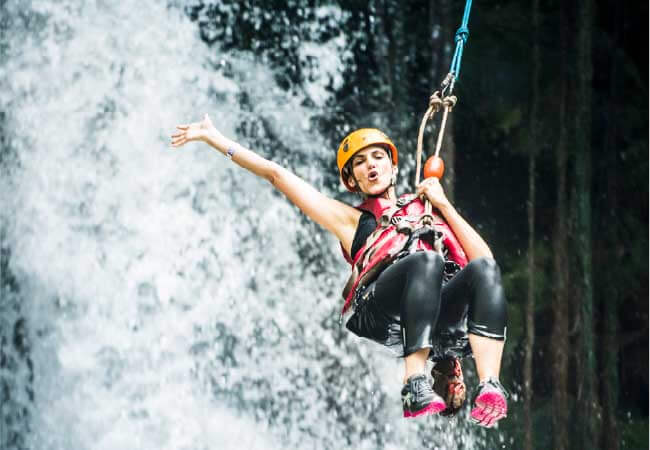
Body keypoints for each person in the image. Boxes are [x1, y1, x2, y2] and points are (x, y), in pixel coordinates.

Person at [171, 116, 508, 427]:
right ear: (352, 179)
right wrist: (215, 138)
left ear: (393, 165)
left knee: (484, 269)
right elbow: (276, 175)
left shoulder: (429, 208)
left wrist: (444, 205)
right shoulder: (351, 220)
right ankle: (413, 383)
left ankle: (489, 384)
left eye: (377, 157)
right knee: (426, 261)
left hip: (436, 312)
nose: (370, 165)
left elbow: (483, 262)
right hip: (379, 307)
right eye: (359, 163)